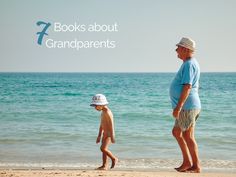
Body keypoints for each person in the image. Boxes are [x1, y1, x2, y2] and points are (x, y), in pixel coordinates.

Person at [169, 37, 201, 173]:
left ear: (186, 49)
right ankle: (188, 163)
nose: (176, 50)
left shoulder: (189, 64)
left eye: (179, 47)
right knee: (179, 133)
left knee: (186, 135)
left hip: (187, 107)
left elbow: (187, 86)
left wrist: (179, 106)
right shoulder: (189, 63)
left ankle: (195, 165)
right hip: (189, 106)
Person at [90, 94, 118, 170]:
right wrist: (99, 136)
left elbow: (112, 125)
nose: (95, 108)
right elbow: (101, 124)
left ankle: (114, 158)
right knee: (104, 151)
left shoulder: (108, 113)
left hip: (109, 134)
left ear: (101, 104)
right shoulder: (103, 112)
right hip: (104, 133)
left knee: (103, 149)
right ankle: (104, 165)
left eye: (96, 106)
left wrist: (112, 136)